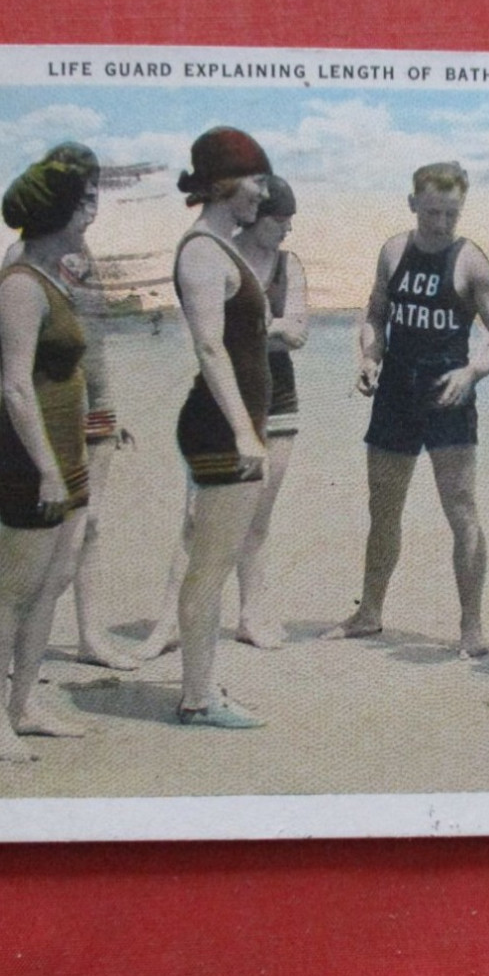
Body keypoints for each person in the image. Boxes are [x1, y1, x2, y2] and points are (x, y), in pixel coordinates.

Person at [325, 161, 489, 657]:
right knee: (383, 508)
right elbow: (375, 314)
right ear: (413, 204)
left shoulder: (471, 261)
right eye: (432, 212)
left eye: (451, 214)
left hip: (448, 394)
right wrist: (369, 355)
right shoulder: (393, 250)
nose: (440, 224)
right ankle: (369, 611)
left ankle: (471, 629)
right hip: (395, 393)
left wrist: (473, 372)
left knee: (462, 510)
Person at [136, 176, 309, 657]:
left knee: (258, 517)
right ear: (256, 216)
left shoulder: (288, 265)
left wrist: (252, 328)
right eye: (280, 221)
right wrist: (267, 329)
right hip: (223, 400)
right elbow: (211, 336)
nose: (287, 231)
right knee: (197, 519)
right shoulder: (214, 253)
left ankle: (252, 616)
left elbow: (298, 332)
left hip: (278, 402)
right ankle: (167, 623)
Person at [0, 147, 101, 761]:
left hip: (65, 453)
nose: (92, 208)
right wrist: (49, 468)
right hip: (29, 459)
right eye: (82, 200)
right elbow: (15, 386)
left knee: (53, 581)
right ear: (58, 212)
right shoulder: (22, 287)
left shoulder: (56, 276)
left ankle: (26, 703)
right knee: (16, 588)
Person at [0, 144, 138, 672]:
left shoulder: (85, 253)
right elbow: (13, 359)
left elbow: (94, 345)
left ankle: (89, 635)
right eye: (82, 194)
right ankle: (21, 643)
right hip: (52, 413)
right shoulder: (25, 258)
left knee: (91, 526)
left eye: (96, 192)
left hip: (95, 409)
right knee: (48, 537)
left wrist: (109, 410)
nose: (91, 204)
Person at [169, 127, 275, 728]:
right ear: (227, 181)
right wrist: (243, 432)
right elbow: (210, 347)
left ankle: (202, 685)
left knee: (216, 558)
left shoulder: (220, 245)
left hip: (226, 424)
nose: (263, 193)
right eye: (257, 180)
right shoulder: (202, 251)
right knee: (211, 565)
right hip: (218, 429)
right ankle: (197, 697)